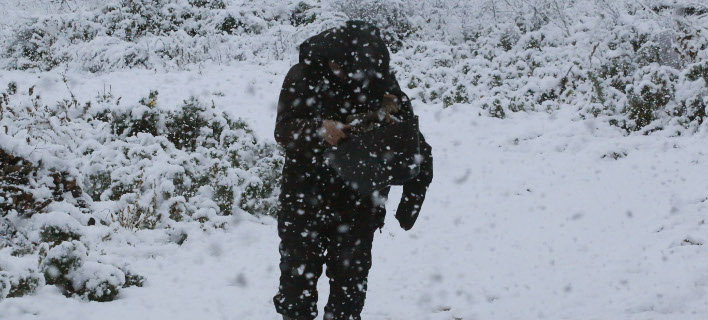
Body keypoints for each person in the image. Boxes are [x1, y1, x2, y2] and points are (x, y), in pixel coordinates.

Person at [273, 21, 433, 320]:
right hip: (305, 194)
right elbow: (283, 131)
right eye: (345, 70)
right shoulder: (303, 76)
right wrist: (319, 130)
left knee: (350, 286)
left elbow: (413, 142)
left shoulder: (375, 74)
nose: (356, 79)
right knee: (297, 280)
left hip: (361, 198)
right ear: (332, 60)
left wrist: (391, 111)